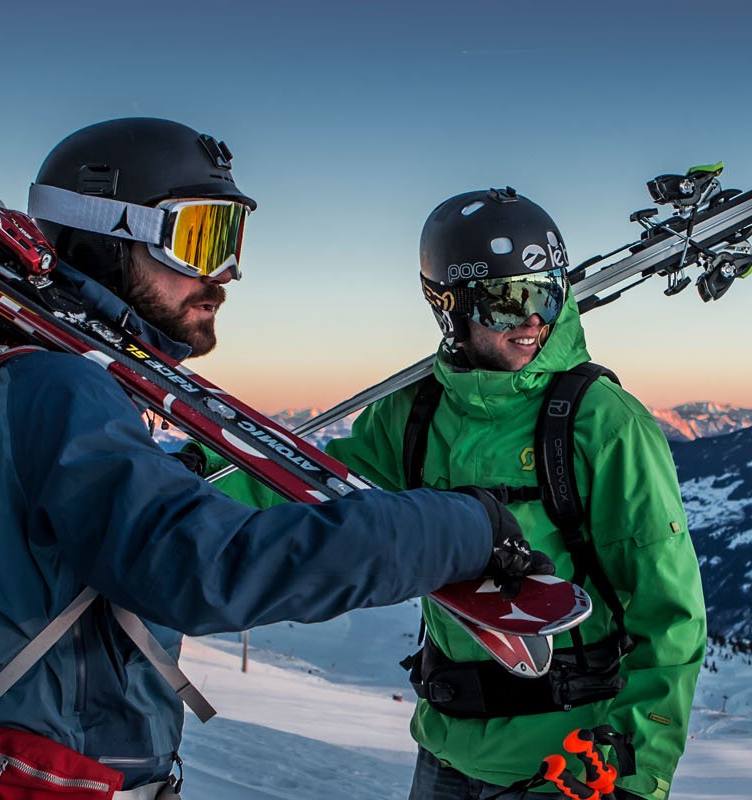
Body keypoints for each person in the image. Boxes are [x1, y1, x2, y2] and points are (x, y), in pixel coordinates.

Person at [0, 119, 550, 796]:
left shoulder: (41, 377)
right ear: (105, 237)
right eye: (199, 240)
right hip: (28, 776)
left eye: (229, 242)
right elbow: (196, 566)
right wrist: (461, 530)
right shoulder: (60, 385)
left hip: (35, 767)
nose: (225, 276)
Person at [220, 188, 706, 799]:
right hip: (445, 753)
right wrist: (195, 480)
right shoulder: (414, 415)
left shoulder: (604, 424)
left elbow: (670, 613)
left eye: (548, 292)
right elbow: (308, 484)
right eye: (508, 300)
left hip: (566, 768)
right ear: (449, 306)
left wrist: (637, 770)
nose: (534, 319)